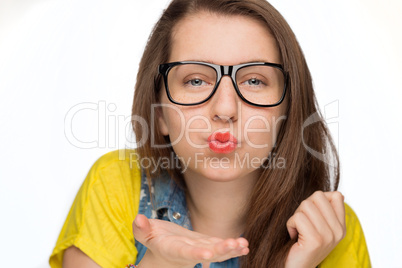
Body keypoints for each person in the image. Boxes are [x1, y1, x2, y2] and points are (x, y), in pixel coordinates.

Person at [49, 0, 371, 267]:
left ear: (287, 113)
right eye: (196, 80)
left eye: (254, 80)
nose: (225, 109)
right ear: (159, 113)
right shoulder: (114, 185)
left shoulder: (327, 231)